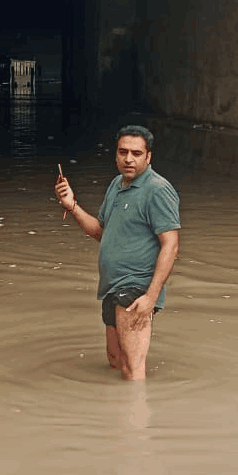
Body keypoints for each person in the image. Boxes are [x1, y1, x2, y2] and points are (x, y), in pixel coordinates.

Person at [54, 125, 181, 381]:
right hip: (112, 287)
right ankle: (116, 417)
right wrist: (73, 206)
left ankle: (136, 418)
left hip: (136, 288)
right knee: (115, 361)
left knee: (132, 370)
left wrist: (150, 298)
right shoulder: (116, 184)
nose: (128, 159)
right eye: (123, 152)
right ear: (115, 155)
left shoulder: (157, 190)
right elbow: (101, 231)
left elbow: (171, 245)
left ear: (149, 157)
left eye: (136, 153)